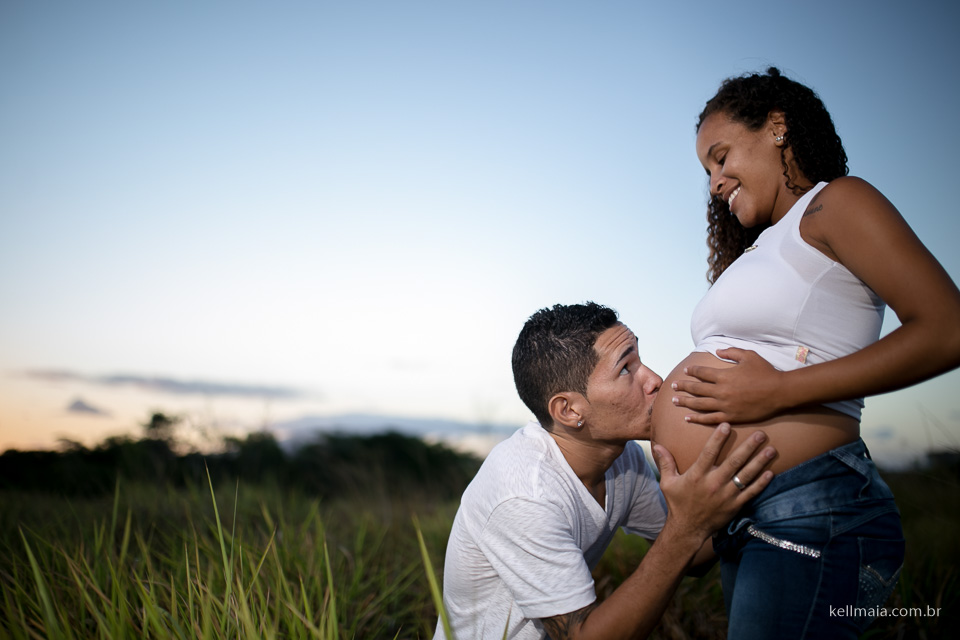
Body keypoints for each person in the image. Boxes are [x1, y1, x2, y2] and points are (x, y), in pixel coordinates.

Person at [651, 67, 960, 639]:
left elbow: (948, 328)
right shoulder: (763, 248)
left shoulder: (836, 203)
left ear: (776, 127)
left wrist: (779, 390)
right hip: (747, 515)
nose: (715, 182)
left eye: (721, 158)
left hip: (816, 508)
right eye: (707, 172)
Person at [434, 302, 777, 640]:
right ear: (568, 410)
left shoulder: (625, 459)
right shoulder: (524, 493)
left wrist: (741, 496)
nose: (656, 380)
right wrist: (687, 528)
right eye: (626, 369)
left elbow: (691, 559)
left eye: (640, 360)